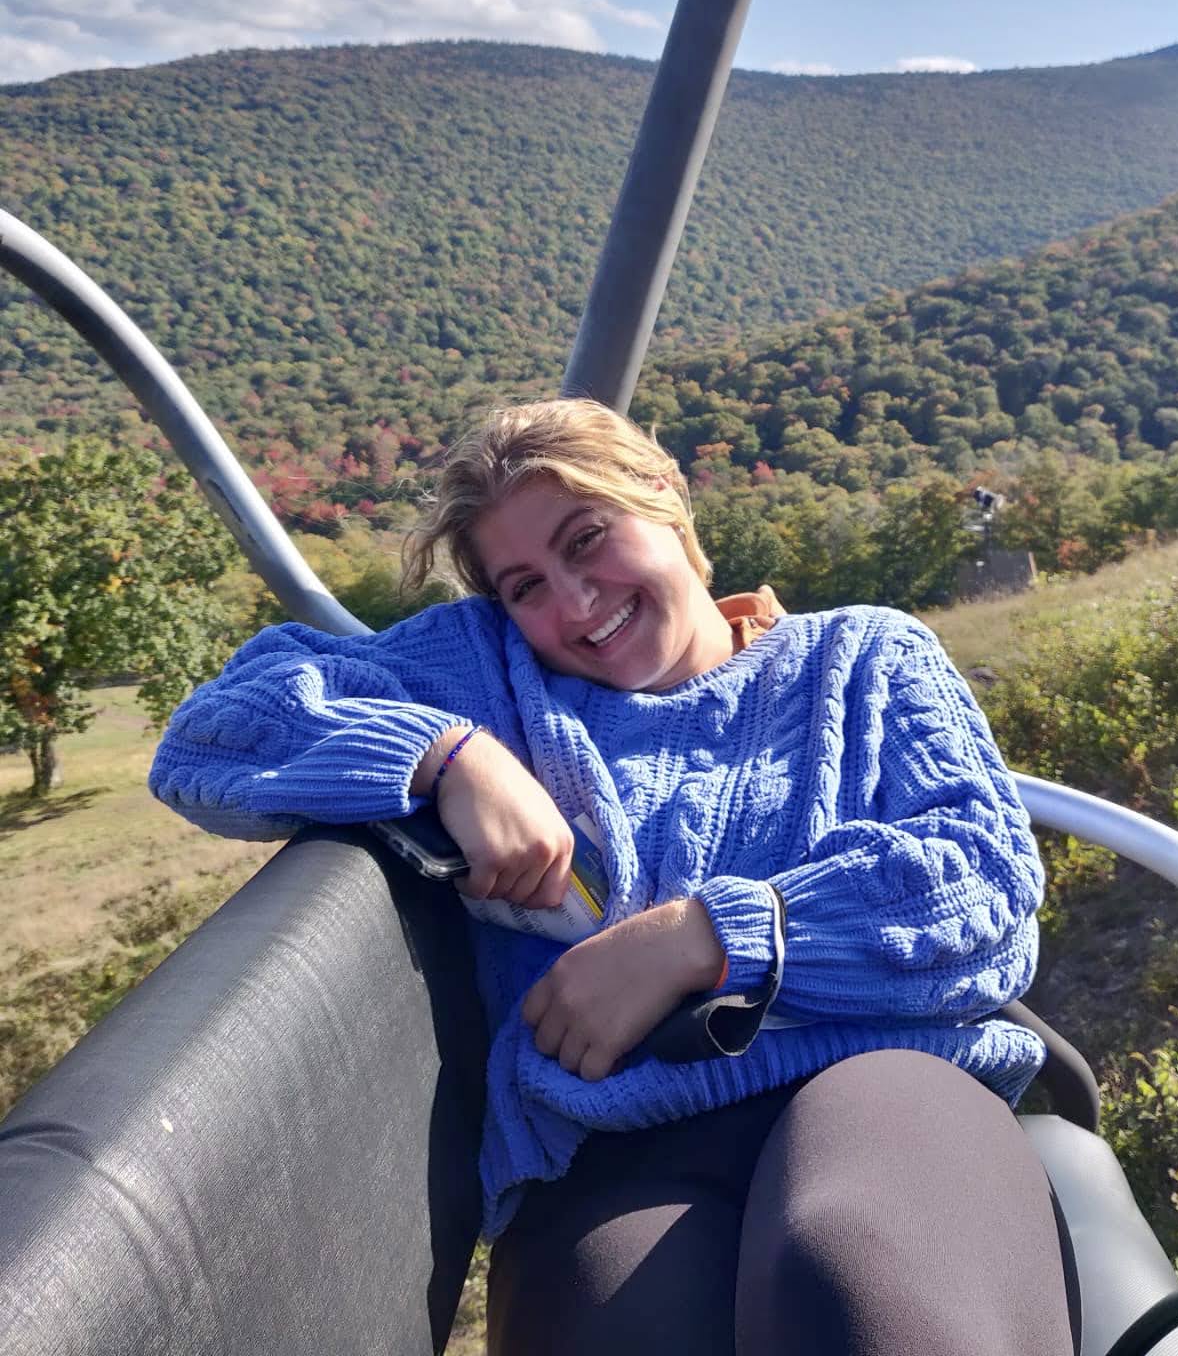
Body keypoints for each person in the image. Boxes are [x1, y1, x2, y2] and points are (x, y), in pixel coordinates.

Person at [151, 398, 1077, 1356]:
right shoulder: (488, 673)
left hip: (879, 1079)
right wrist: (447, 751)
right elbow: (209, 734)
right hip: (613, 1143)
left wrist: (711, 938)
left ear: (665, 496)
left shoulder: (861, 658)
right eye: (525, 586)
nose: (575, 604)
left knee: (852, 1272)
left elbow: (987, 884)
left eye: (587, 538)